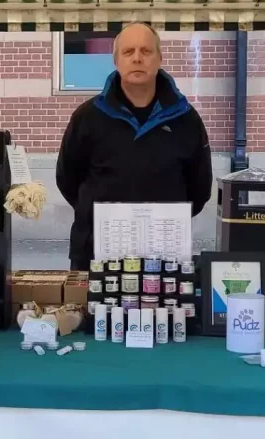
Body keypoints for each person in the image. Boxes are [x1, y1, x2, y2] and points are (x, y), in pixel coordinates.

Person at [56, 22, 213, 270]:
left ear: (160, 58)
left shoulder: (186, 119)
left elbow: (200, 189)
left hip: (164, 258)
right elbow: (67, 179)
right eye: (128, 52)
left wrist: (162, 222)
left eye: (146, 51)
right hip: (95, 255)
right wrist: (96, 214)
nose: (137, 58)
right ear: (116, 60)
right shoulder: (87, 117)